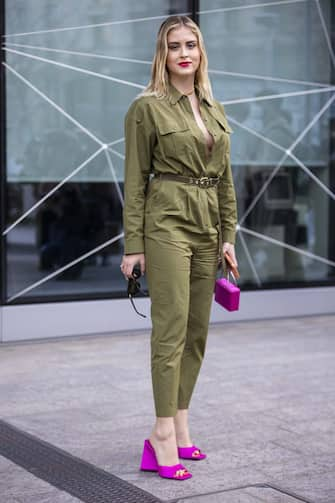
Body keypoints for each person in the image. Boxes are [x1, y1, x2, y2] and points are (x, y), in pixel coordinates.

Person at [120, 15, 238, 481]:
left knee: (197, 333)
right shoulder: (146, 108)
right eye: (174, 46)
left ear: (201, 51)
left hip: (208, 226)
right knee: (169, 334)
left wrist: (229, 235)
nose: (184, 52)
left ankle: (182, 425)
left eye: (191, 44)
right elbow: (134, 181)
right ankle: (161, 434)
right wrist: (134, 246)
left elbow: (225, 179)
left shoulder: (213, 106)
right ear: (162, 54)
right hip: (166, 221)